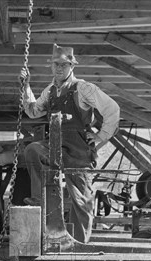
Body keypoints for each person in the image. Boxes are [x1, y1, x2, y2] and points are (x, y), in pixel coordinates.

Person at [20, 44, 120, 243]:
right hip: (56, 146)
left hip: (79, 151)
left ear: (72, 66)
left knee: (81, 202)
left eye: (64, 65)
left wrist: (101, 135)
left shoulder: (83, 88)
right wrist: (25, 87)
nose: (59, 68)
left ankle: (79, 245)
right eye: (56, 64)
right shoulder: (49, 92)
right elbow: (33, 111)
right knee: (33, 150)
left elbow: (112, 109)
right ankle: (42, 201)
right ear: (51, 66)